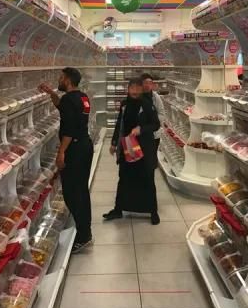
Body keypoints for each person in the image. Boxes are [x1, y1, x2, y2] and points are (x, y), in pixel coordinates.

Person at [39, 67, 94, 253]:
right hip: (85, 145)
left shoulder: (70, 100)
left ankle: (84, 235)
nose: (59, 80)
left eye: (61, 78)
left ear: (68, 80)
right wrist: (52, 93)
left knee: (72, 193)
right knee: (81, 189)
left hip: (75, 149)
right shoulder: (82, 97)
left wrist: (61, 152)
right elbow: (63, 107)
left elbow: (69, 129)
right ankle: (85, 230)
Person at [103, 78, 161, 225]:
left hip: (143, 149)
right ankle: (118, 209)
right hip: (127, 147)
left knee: (147, 179)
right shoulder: (124, 105)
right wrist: (114, 142)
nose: (134, 91)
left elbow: (156, 124)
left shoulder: (147, 105)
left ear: (142, 90)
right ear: (128, 89)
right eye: (132, 88)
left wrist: (141, 129)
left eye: (137, 88)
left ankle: (153, 211)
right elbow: (119, 124)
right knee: (124, 178)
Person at [140, 73, 165, 167]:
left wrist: (152, 123)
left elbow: (162, 113)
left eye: (150, 83)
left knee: (151, 159)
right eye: (145, 82)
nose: (147, 85)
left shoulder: (155, 97)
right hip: (140, 134)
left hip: (154, 134)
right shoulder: (136, 96)